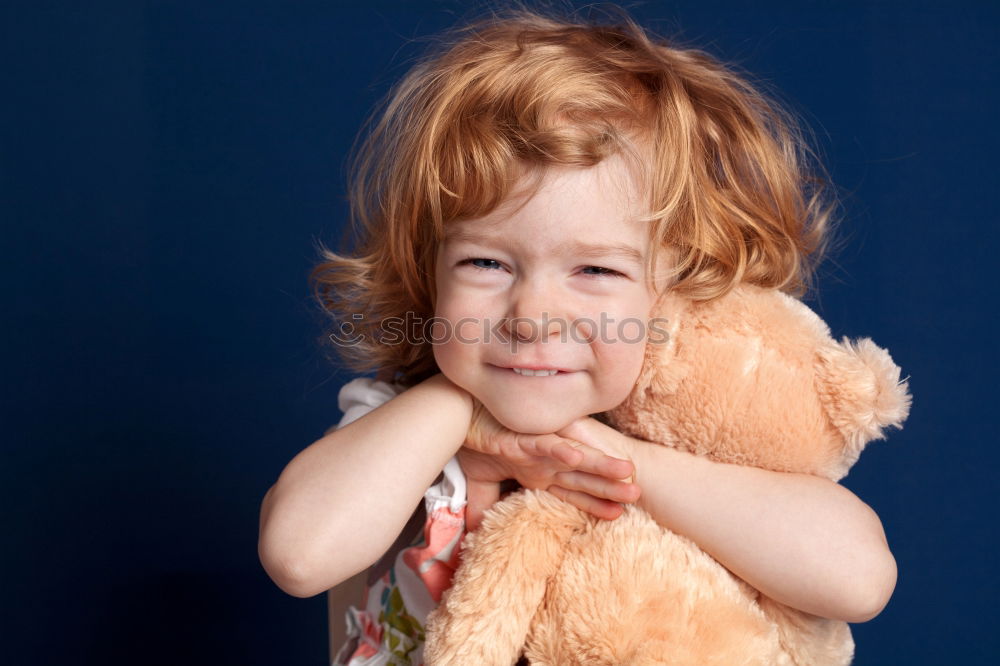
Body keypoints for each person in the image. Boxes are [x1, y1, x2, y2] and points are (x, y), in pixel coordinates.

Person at [258, 5, 898, 665]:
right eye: (486, 263)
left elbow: (859, 578)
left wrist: (618, 462)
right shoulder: (402, 426)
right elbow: (300, 555)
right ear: (428, 272)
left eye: (594, 269)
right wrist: (459, 413)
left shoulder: (692, 437)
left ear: (671, 290)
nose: (532, 315)